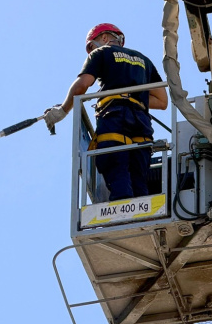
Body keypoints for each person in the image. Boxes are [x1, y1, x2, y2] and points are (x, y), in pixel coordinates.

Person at [44, 23, 168, 201]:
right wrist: (133, 97)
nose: (91, 50)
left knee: (115, 164)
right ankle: (143, 210)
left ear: (103, 38)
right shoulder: (143, 60)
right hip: (141, 122)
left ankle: (123, 210)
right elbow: (162, 101)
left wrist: (62, 110)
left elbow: (82, 85)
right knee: (138, 173)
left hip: (115, 116)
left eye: (91, 46)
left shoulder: (101, 53)